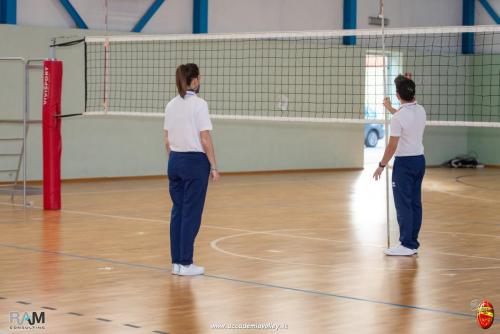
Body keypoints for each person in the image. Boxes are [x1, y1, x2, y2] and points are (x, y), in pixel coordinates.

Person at [163, 63, 220, 276]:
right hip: (194, 162)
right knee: (191, 214)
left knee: (178, 212)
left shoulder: (170, 105)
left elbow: (166, 140)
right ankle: (186, 263)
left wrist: (174, 162)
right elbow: (205, 138)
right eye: (199, 78)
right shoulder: (199, 104)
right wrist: (213, 166)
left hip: (175, 161)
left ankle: (177, 263)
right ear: (194, 80)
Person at [373, 75, 426, 256]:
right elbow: (404, 118)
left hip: (404, 163)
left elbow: (391, 146)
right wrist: (390, 109)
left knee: (403, 204)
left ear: (397, 95)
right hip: (419, 161)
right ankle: (413, 242)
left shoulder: (399, 118)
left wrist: (381, 165)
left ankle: (406, 245)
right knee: (415, 203)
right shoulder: (420, 110)